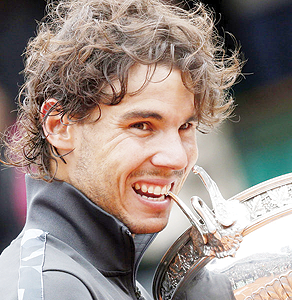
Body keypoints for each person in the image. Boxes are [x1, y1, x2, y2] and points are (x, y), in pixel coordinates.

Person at [0, 0, 242, 299]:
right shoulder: (49, 286)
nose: (178, 158)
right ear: (59, 126)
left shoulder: (99, 276)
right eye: (142, 125)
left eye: (185, 128)